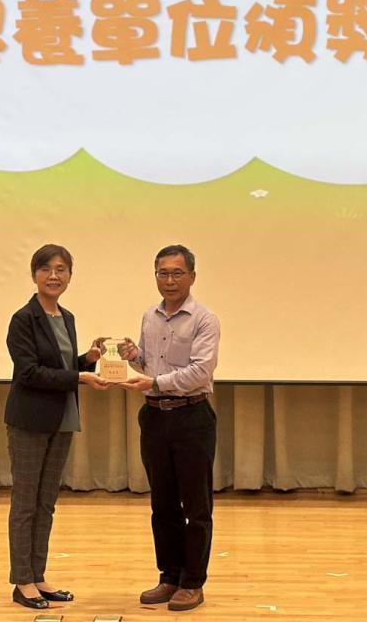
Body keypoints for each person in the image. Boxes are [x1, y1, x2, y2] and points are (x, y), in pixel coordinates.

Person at [4, 244, 109, 610]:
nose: (54, 276)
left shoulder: (67, 318)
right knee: (26, 503)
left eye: (61, 269)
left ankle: (38, 576)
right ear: (34, 275)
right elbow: (30, 373)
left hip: (62, 418)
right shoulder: (23, 319)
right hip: (29, 421)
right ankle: (22, 581)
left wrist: (88, 360)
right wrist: (79, 377)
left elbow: (63, 366)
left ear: (70, 276)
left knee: (46, 502)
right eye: (46, 269)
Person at [119, 244, 220, 612]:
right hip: (154, 417)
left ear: (192, 276)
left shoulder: (204, 319)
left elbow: (200, 372)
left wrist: (155, 382)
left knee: (196, 505)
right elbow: (150, 367)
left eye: (177, 273)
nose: (170, 280)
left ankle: (193, 582)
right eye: (163, 273)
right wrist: (134, 358)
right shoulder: (150, 316)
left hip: (191, 416)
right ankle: (169, 576)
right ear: (155, 276)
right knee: (162, 504)